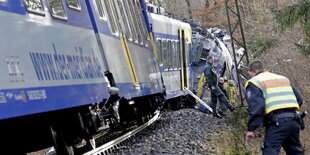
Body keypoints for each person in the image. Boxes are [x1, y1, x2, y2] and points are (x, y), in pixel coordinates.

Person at [245, 60, 304, 155]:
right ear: (264, 69)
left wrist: (251, 128)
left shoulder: (254, 82)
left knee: (270, 150)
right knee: (295, 151)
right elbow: (299, 100)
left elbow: (258, 107)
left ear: (250, 73)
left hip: (277, 123)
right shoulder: (283, 79)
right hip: (294, 121)